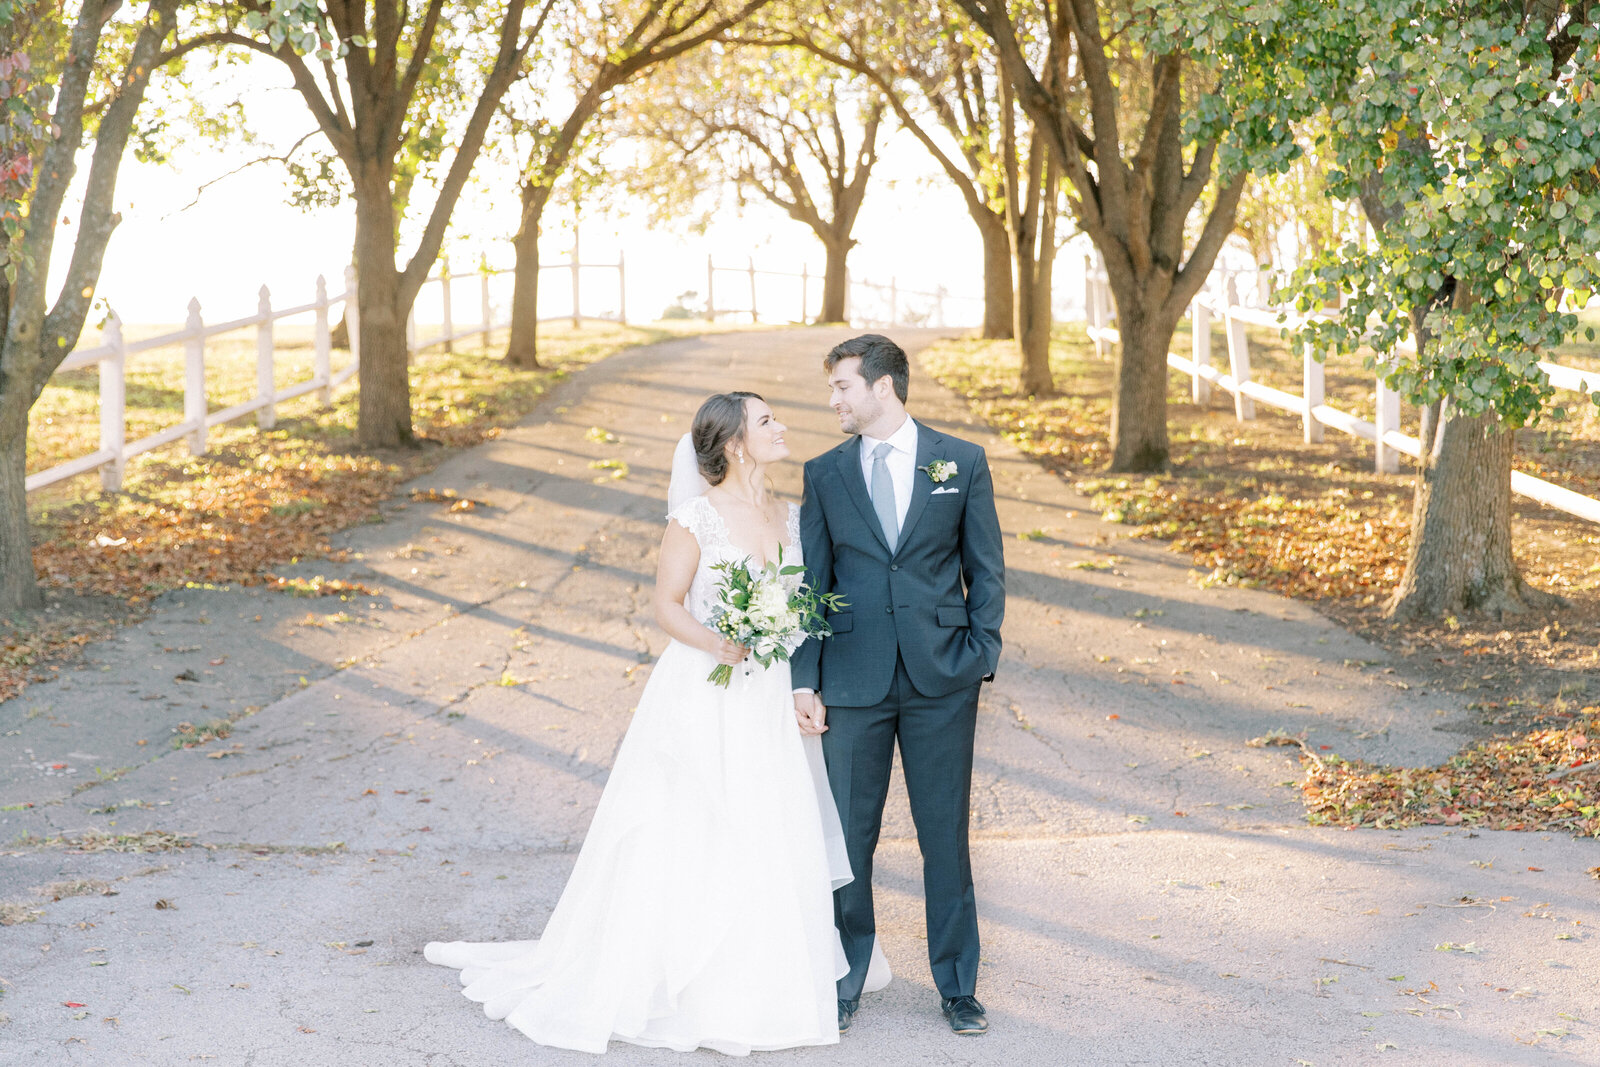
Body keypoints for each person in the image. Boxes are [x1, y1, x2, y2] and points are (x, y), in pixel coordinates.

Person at [424, 391, 886, 1055]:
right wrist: (718, 639)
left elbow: (806, 605)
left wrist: (794, 665)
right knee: (697, 822)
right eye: (766, 422)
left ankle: (768, 974)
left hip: (769, 691)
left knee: (769, 819)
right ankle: (685, 974)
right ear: (733, 444)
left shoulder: (789, 514)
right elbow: (667, 606)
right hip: (708, 686)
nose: (781, 427)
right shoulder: (694, 518)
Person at [791, 334, 1005, 1037]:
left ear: (883, 387)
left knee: (945, 835)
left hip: (943, 678)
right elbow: (812, 586)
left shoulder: (961, 461)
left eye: (843, 386)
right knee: (850, 837)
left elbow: (987, 568)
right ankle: (847, 974)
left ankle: (957, 985)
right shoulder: (824, 474)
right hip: (852, 683)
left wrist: (979, 654)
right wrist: (805, 680)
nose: (835, 400)